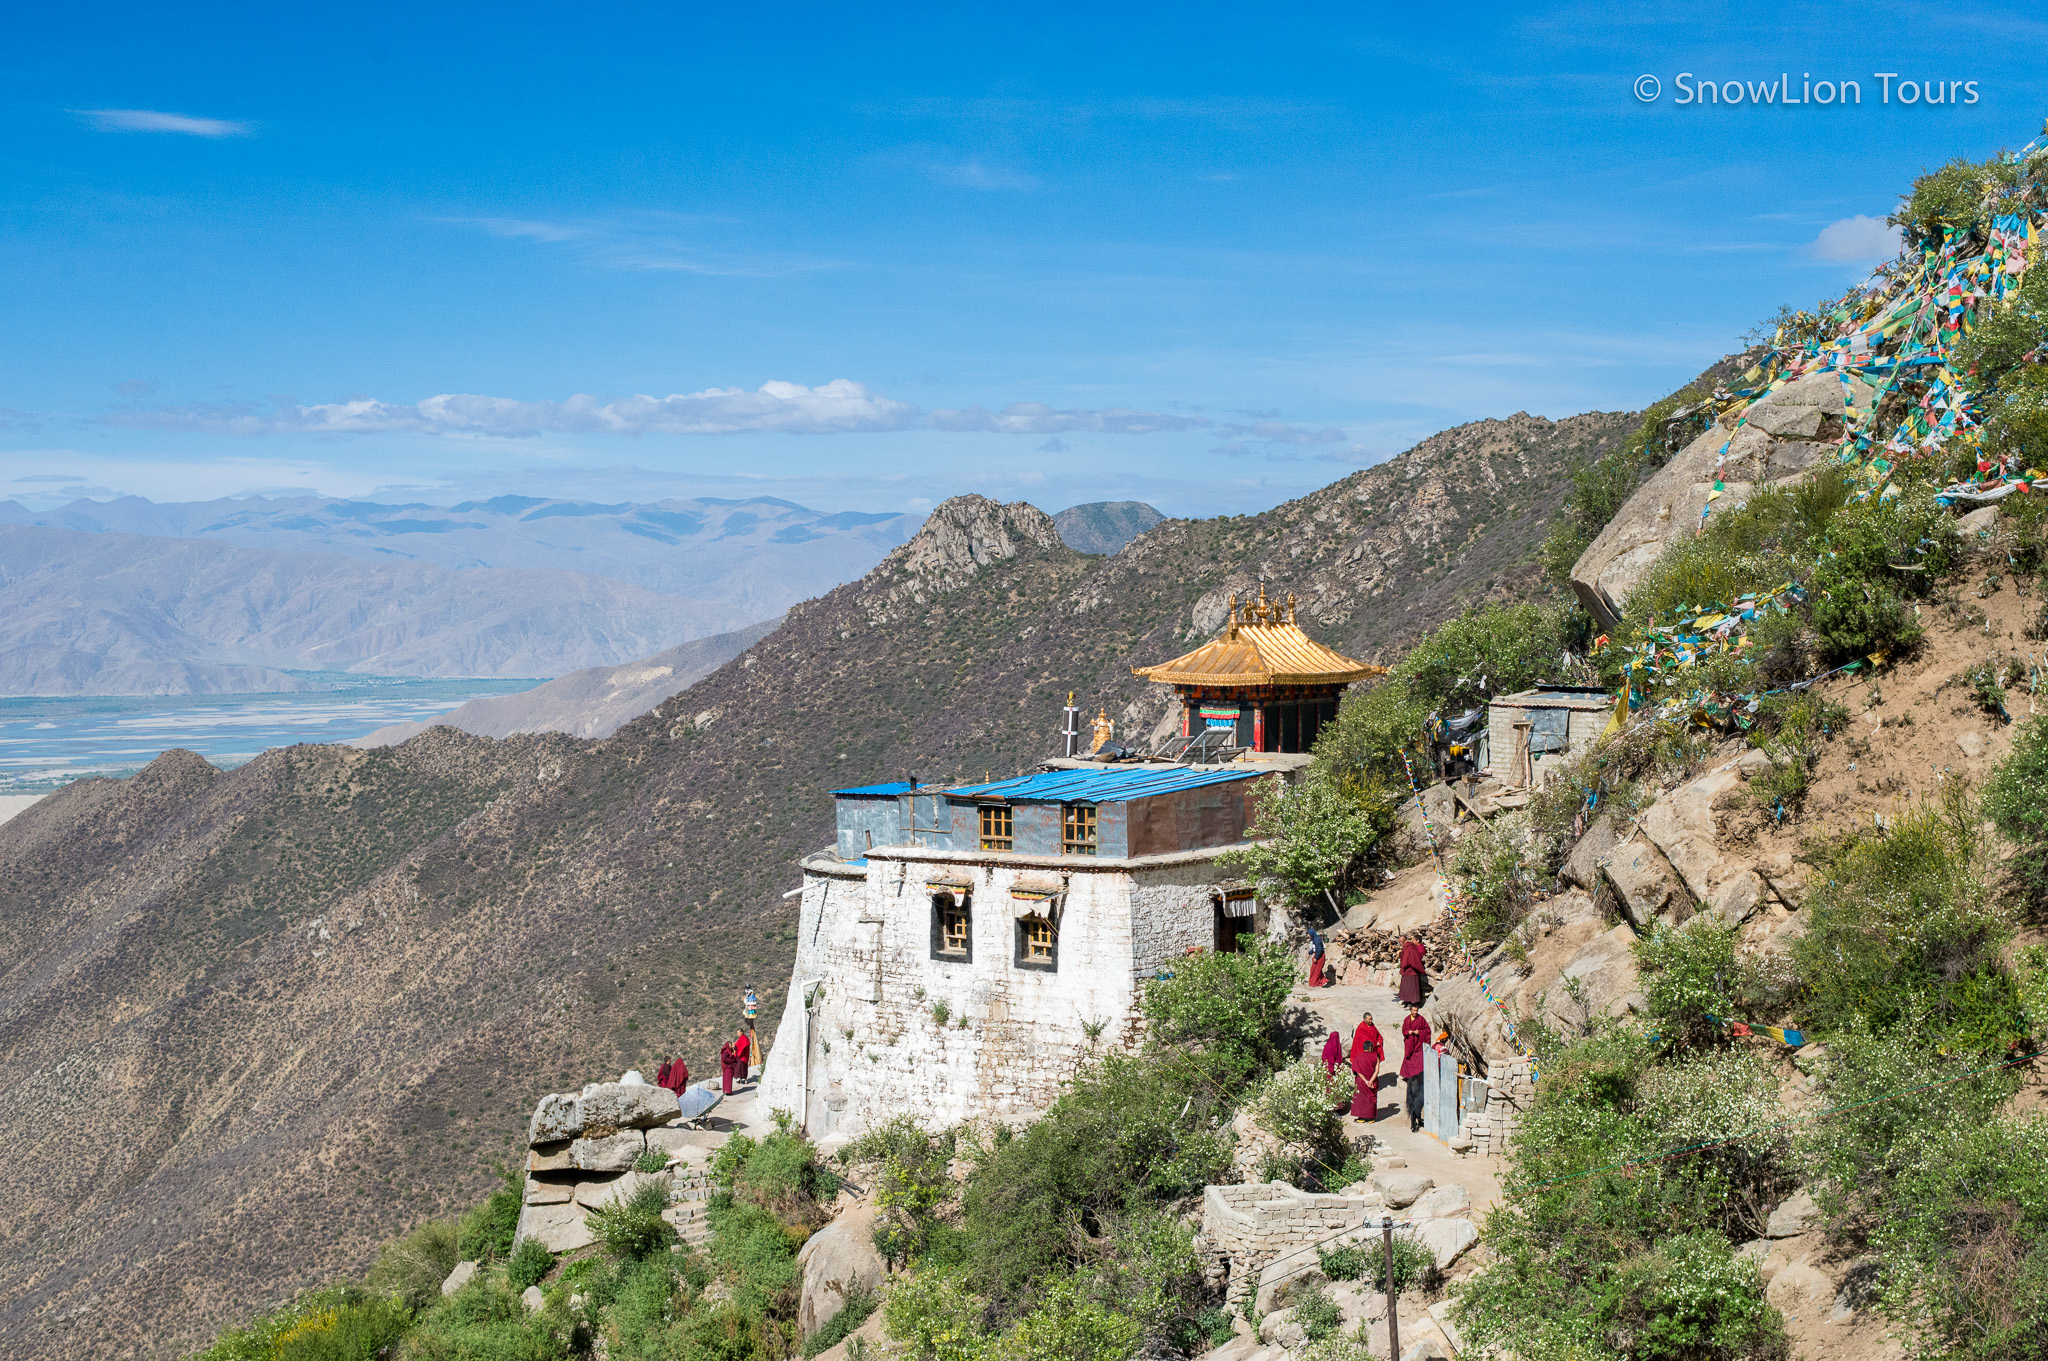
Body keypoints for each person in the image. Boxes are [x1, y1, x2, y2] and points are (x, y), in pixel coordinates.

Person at [1400, 1003, 1430, 1132]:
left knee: (1418, 1061)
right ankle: (1408, 1075)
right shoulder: (1407, 1020)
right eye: (1413, 1010)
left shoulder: (1421, 1019)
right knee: (1409, 1060)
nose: (1415, 1012)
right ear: (1410, 1010)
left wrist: (1419, 1032)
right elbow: (1403, 1030)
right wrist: (1409, 1032)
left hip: (1417, 1044)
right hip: (1410, 1043)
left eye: (1417, 1010)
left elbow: (1427, 1031)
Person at [1350, 1013, 1385, 1121]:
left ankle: (1365, 1117)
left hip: (1369, 1060)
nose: (1371, 1021)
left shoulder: (1373, 1026)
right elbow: (1360, 1042)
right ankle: (1370, 1117)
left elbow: (1379, 1037)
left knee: (1363, 1097)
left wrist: (1378, 1042)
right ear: (1364, 1019)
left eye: (1371, 1019)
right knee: (1369, 1097)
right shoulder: (1361, 1029)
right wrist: (1371, 1080)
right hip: (1366, 1058)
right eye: (1369, 1019)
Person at [1398, 933, 1428, 1006]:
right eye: (1399, 942)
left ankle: (1414, 1003)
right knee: (1406, 987)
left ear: (1405, 941)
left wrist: (1404, 965)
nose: (1400, 943)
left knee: (1412, 988)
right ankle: (1407, 1001)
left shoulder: (1410, 947)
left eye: (1401, 942)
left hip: (1411, 970)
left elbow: (1412, 959)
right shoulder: (1407, 947)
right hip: (1407, 970)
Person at [1307, 924, 1329, 989]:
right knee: (1314, 970)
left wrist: (1316, 957)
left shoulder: (1317, 940)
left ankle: (1315, 983)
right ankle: (1319, 981)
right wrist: (1309, 953)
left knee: (1316, 971)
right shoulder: (1314, 940)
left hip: (1320, 957)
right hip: (1317, 956)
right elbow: (1314, 949)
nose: (1309, 936)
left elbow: (1319, 950)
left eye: (1309, 935)